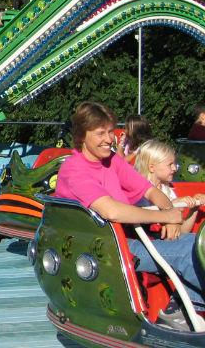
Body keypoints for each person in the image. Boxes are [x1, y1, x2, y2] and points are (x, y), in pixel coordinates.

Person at [55, 101, 205, 320]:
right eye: (100, 133)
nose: (109, 139)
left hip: (126, 239)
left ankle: (182, 308)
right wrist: (164, 215)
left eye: (110, 132)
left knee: (198, 242)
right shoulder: (75, 170)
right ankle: (184, 311)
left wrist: (170, 217)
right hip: (103, 248)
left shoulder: (112, 160)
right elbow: (111, 211)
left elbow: (150, 190)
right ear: (81, 136)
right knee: (190, 252)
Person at [134, 139, 205, 234]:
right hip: (147, 239)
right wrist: (172, 205)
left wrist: (194, 208)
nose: (174, 168)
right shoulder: (139, 191)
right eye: (170, 164)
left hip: (168, 240)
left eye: (174, 164)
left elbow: (182, 232)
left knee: (195, 238)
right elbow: (139, 215)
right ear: (152, 167)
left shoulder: (167, 190)